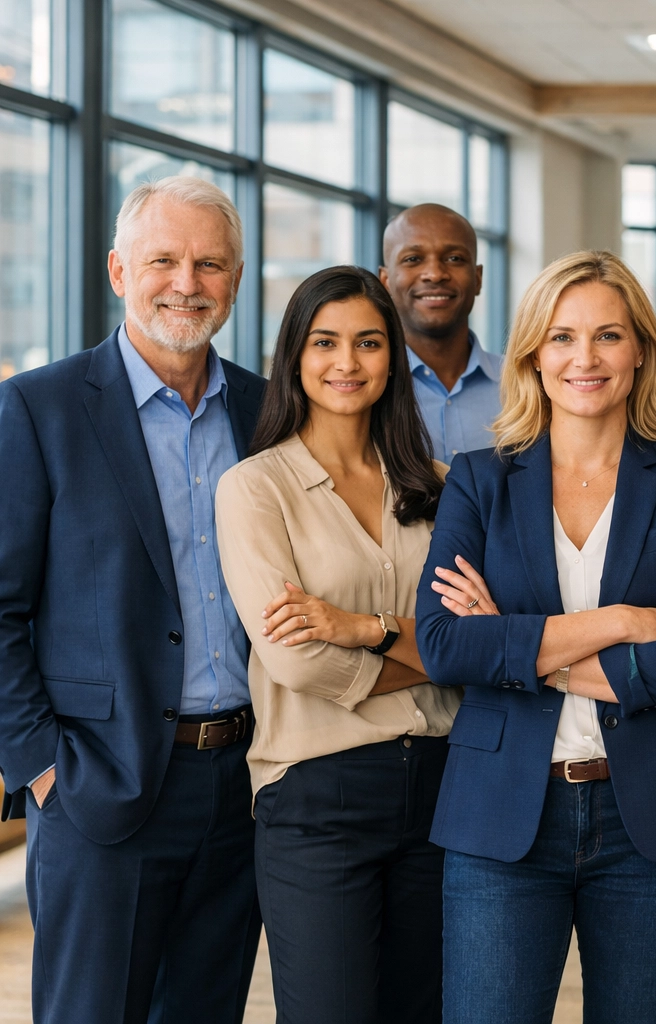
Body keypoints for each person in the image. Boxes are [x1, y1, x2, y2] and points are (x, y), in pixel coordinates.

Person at [414, 250, 656, 1024]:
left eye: (607, 336)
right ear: (533, 354)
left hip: (654, 821)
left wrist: (516, 645)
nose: (585, 358)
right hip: (502, 821)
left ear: (641, 351)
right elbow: (444, 646)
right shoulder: (477, 479)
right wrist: (624, 624)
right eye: (562, 337)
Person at [0, 176, 265, 1023]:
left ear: (235, 278)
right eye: (163, 260)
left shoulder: (267, 411)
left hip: (245, 783)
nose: (186, 282)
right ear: (119, 271)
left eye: (209, 263)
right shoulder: (37, 408)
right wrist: (42, 767)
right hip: (97, 784)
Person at [215, 266, 459, 1024]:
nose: (346, 363)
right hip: (318, 796)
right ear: (293, 356)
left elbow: (483, 643)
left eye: (368, 343)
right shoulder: (255, 489)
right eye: (325, 342)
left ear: (394, 358)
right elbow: (292, 660)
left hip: (443, 788)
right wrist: (434, 654)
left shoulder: (438, 486)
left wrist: (365, 632)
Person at [379, 203, 503, 461]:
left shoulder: (527, 384)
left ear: (478, 278)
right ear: (385, 281)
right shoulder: (366, 386)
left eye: (454, 258)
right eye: (413, 259)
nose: (435, 274)